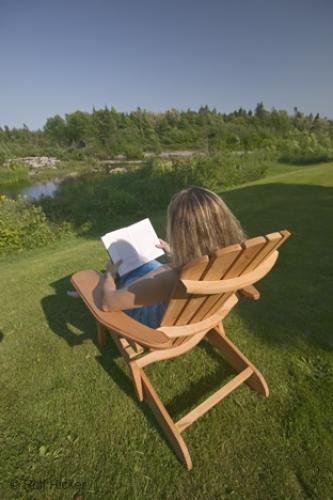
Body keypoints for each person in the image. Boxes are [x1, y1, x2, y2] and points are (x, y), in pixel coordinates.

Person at [101, 185, 246, 328]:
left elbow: (108, 303)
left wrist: (109, 276)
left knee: (125, 276)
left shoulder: (169, 276)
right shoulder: (232, 260)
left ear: (179, 232)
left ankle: (115, 277)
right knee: (145, 266)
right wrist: (173, 251)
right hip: (197, 311)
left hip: (159, 320)